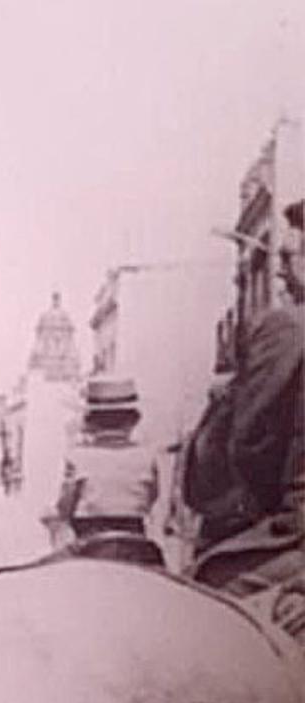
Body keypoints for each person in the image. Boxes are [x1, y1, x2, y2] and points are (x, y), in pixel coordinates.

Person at [182, 199, 304, 637]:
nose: (282, 272)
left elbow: (247, 446)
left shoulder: (287, 329)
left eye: (291, 257)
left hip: (295, 538)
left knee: (201, 613)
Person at [55, 375, 164, 565]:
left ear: (90, 422)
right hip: (136, 544)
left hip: (90, 543)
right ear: (133, 420)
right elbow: (152, 497)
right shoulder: (147, 456)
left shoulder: (77, 456)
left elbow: (65, 508)